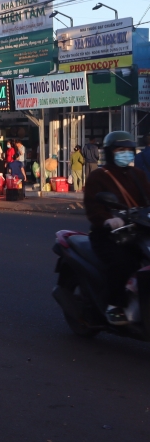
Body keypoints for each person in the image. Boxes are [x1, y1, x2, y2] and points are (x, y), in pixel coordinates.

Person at [83, 131, 150, 325]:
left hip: (138, 230)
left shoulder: (137, 175)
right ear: (110, 152)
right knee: (124, 263)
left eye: (129, 150)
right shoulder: (98, 176)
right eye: (121, 150)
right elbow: (93, 208)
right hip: (109, 235)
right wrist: (108, 220)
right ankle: (115, 305)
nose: (125, 154)